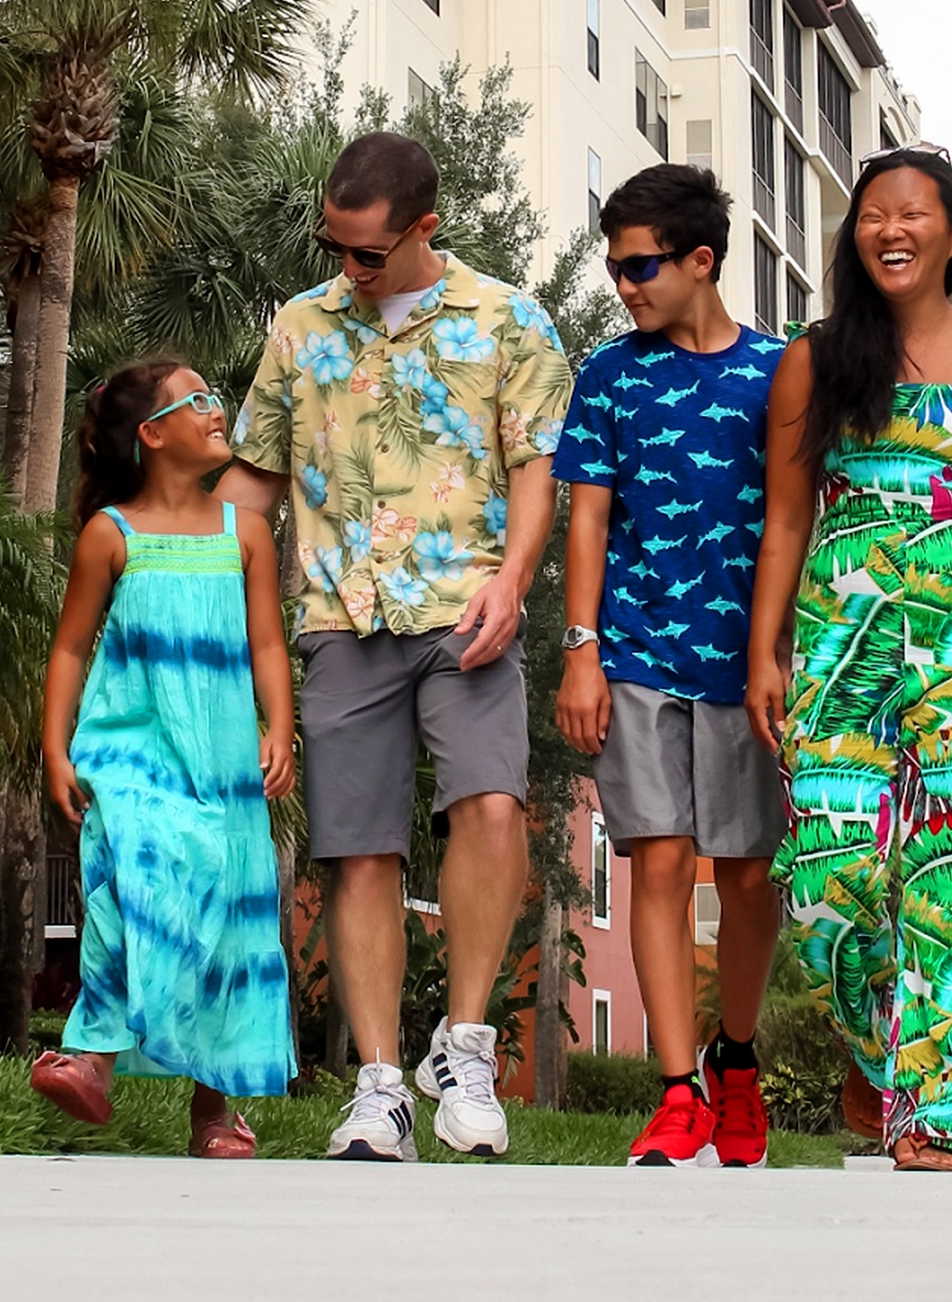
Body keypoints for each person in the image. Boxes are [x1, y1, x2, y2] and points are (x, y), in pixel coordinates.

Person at [220, 131, 572, 1161]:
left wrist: (515, 580)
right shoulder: (301, 327)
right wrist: (173, 565)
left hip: (468, 609)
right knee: (356, 848)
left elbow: (537, 468)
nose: (348, 268)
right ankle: (380, 1091)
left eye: (367, 252)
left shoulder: (507, 319)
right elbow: (253, 481)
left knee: (493, 806)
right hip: (342, 617)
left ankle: (465, 1050)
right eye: (334, 244)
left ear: (423, 228)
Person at [746, 144, 952, 1170]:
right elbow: (787, 524)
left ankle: (934, 1114)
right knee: (827, 881)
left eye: (912, 213)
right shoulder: (814, 359)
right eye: (872, 214)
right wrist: (767, 651)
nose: (889, 228)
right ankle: (881, 1052)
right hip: (844, 639)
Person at [553, 163, 787, 1168]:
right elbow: (589, 517)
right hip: (638, 653)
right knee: (657, 859)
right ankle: (678, 1091)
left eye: (641, 265)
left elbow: (796, 517)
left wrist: (782, 651)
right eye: (615, 268)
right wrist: (578, 652)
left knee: (743, 875)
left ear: (702, 260)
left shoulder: (782, 373)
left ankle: (738, 1065)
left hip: (750, 667)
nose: (625, 285)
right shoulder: (610, 374)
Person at [32, 359, 298, 1159]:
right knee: (127, 886)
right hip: (132, 754)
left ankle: (214, 1110)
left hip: (221, 766)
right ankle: (93, 1061)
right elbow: (72, 649)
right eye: (198, 401)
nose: (217, 409)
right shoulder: (110, 534)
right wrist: (55, 742)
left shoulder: (243, 532)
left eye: (215, 398)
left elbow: (266, 643)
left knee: (226, 915)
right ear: (152, 434)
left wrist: (279, 727)